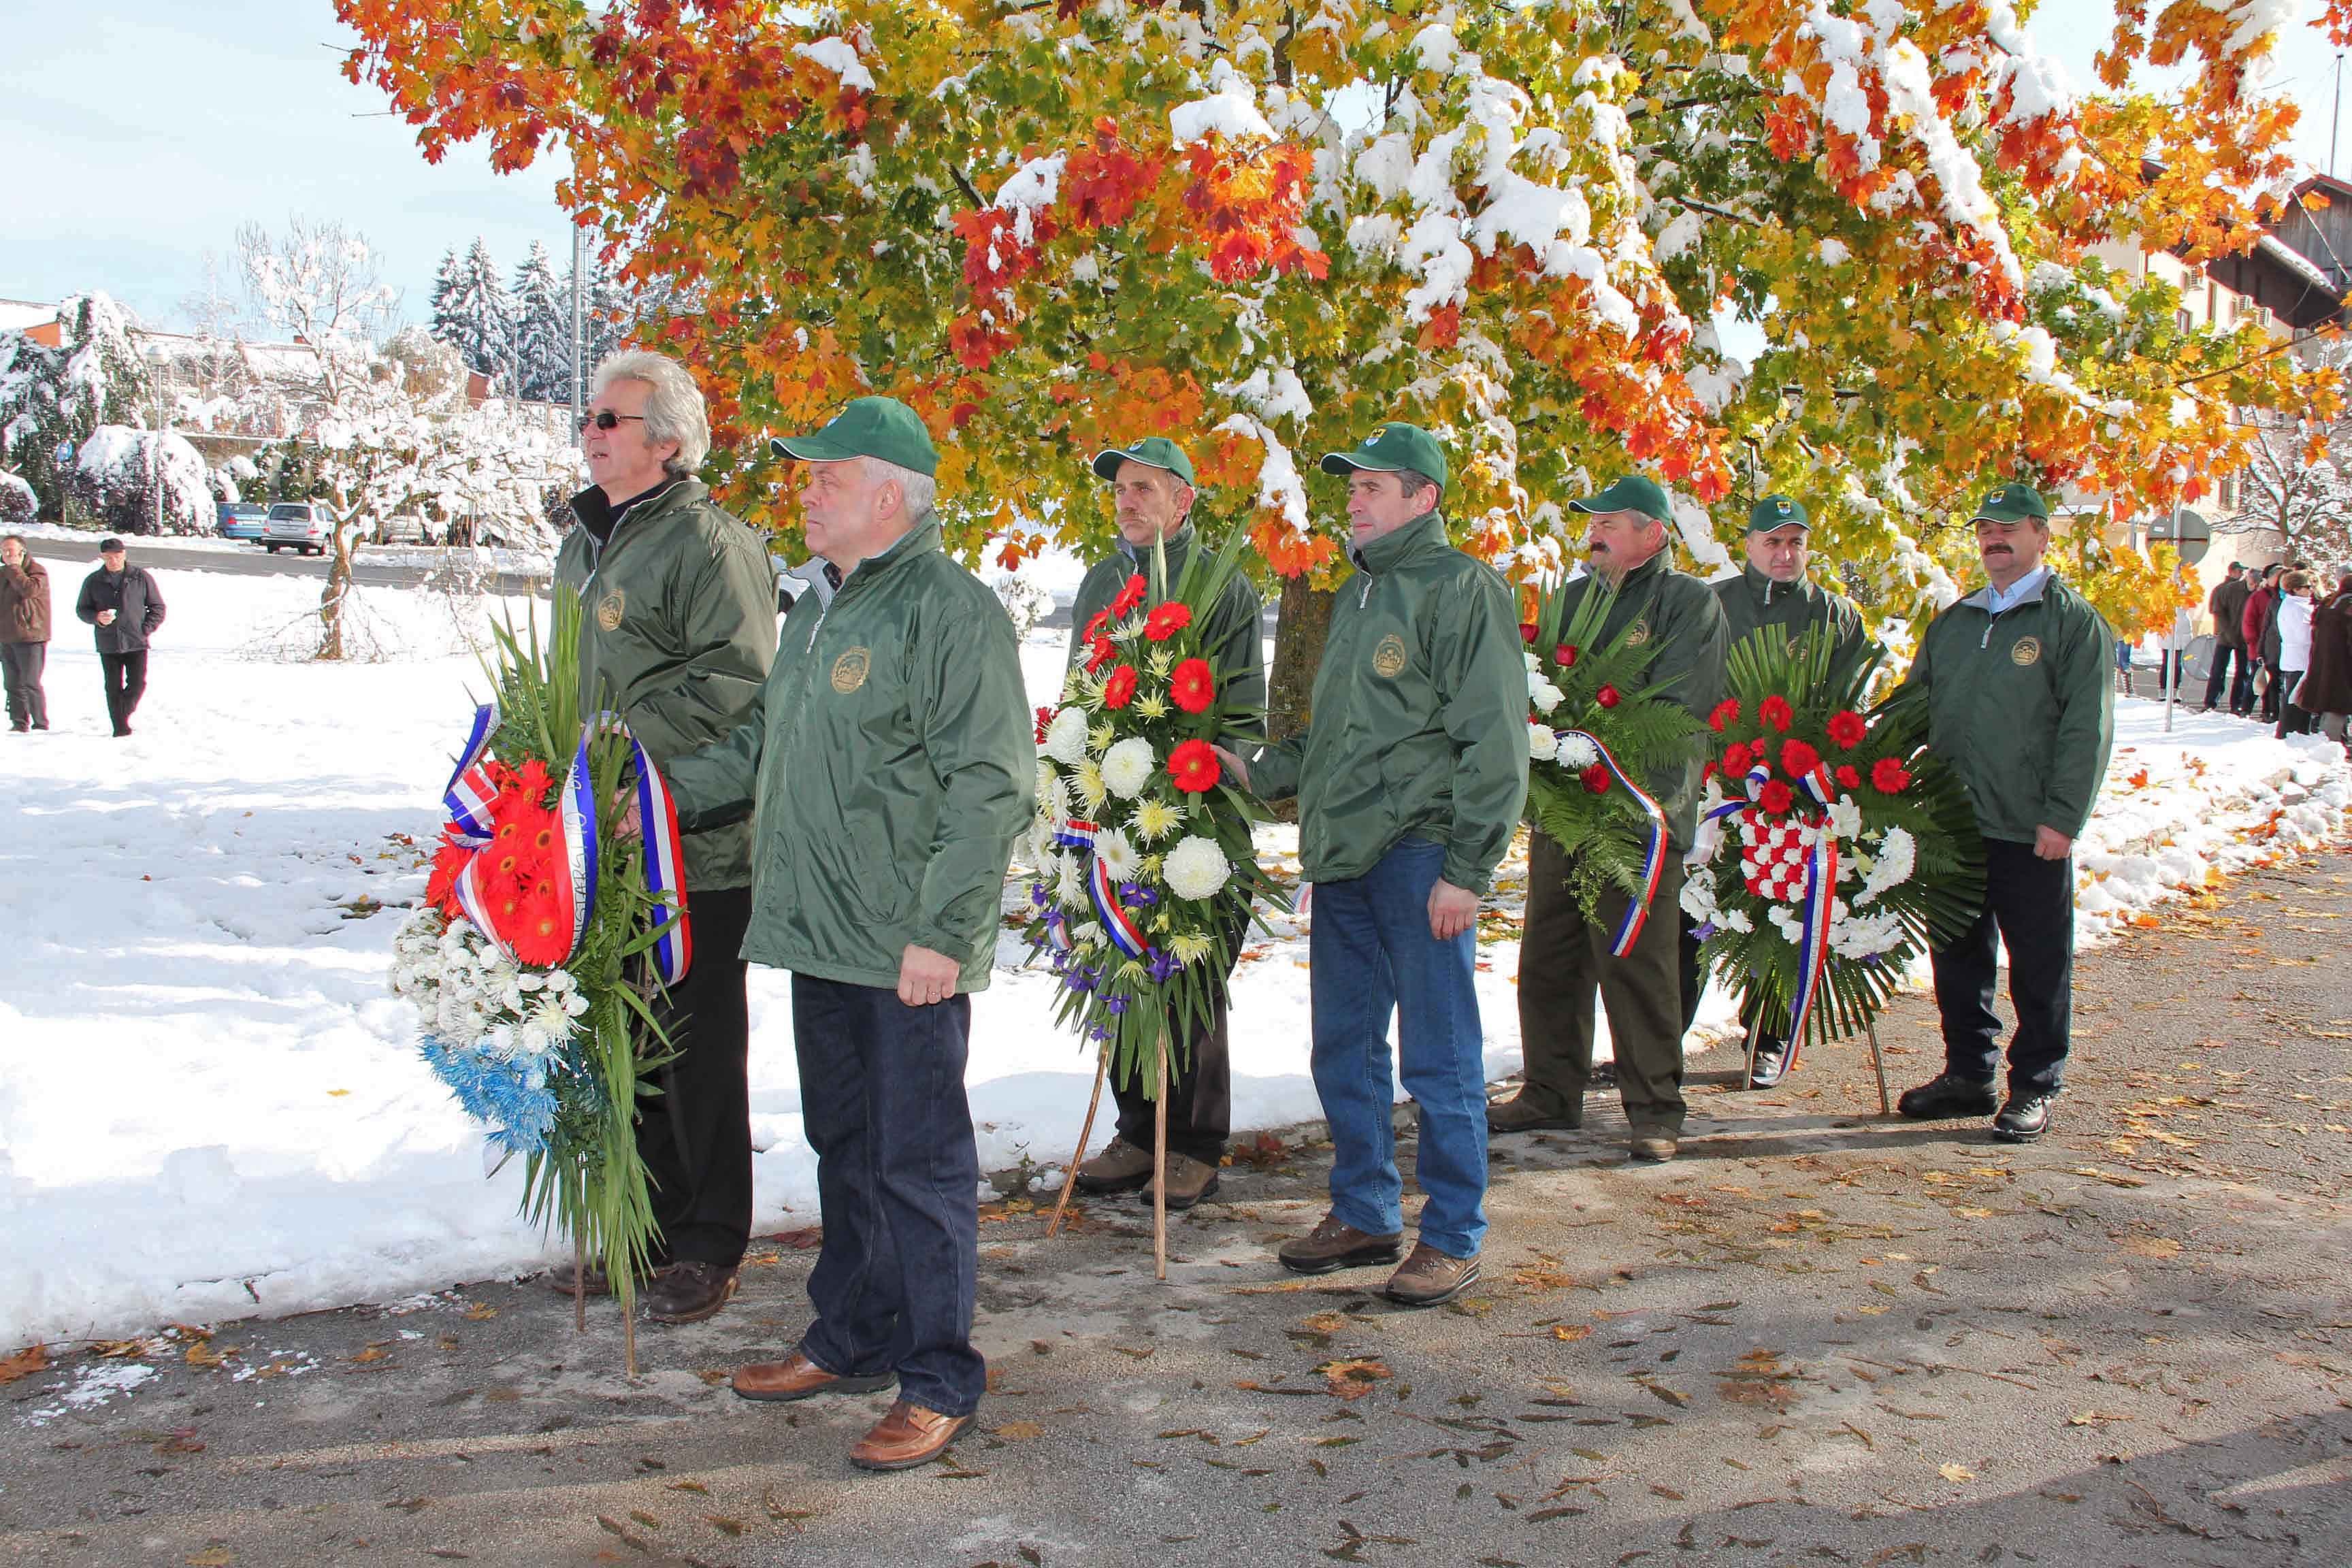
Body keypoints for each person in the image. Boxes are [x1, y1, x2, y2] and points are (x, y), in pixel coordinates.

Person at [668, 396, 1030, 1473]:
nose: (806, 493)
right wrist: (632, 792)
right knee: (848, 1151)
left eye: (825, 477)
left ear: (889, 495)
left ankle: (937, 1377)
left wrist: (943, 931)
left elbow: (989, 783)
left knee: (918, 1166)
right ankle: (854, 1335)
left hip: (903, 948)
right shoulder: (820, 607)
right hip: (820, 935)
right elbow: (764, 755)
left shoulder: (953, 613)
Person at [1224, 422, 1526, 1307]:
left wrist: (1467, 869)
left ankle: (1455, 1235)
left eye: (1370, 488)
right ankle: (1363, 1211)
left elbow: (1495, 742)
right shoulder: (1353, 599)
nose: (1352, 502)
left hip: (1421, 855)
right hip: (1344, 857)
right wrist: (1261, 768)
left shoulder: (1464, 590)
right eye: (1351, 489)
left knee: (1439, 1054)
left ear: (1422, 499)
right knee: (1344, 1048)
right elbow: (1341, 739)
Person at [548, 350, 779, 1326]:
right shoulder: (583, 543)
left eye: (613, 419)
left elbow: (740, 685)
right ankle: (642, 1219)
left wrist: (631, 760)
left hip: (694, 839)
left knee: (694, 1043)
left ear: (669, 442)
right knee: (620, 1032)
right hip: (596, 840)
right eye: (592, 416)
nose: (592, 430)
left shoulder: (710, 543)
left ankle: (708, 1240)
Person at [1490, 474, 1727, 1158]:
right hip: (1566, 808)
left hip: (1640, 811)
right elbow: (1544, 684)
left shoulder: (1689, 603)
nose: (1594, 533)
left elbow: (1678, 703)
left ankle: (1655, 1109)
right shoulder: (1570, 599)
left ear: (1652, 533)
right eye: (1592, 522)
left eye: (1610, 523)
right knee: (1550, 955)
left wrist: (1594, 740)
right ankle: (1548, 1090)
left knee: (1637, 963)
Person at [1064, 437, 1266, 1212]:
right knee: (1120, 960)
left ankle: (1192, 1143)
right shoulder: (1101, 581)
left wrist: (1208, 775)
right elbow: (1081, 690)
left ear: (1184, 500)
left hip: (1195, 807)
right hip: (1114, 808)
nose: (1129, 499)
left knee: (1190, 970)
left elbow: (1240, 701)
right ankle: (1135, 1128)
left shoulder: (1222, 584)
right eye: (1121, 488)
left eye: (1146, 487)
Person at [1895, 482, 2112, 1143]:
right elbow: (1912, 709)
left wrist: (2063, 817)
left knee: (2039, 964)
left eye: (2010, 526)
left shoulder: (2070, 623)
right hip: (1955, 825)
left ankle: (2036, 1086)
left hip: (2029, 829)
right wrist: (1856, 767)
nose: (1995, 537)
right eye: (1986, 526)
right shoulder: (1955, 623)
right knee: (1958, 957)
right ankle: (1969, 1076)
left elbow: (2086, 728)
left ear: (2042, 535)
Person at [1671, 494, 1861, 1089]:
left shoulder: (1837, 616)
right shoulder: (1713, 604)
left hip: (1798, 786)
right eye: (1772, 541)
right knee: (1691, 912)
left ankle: (1770, 1036)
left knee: (1782, 909)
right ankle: (1661, 1039)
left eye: (1795, 542)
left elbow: (1849, 703)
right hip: (1718, 783)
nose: (1784, 553)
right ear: (1748, 544)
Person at [74, 538, 165, 737]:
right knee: (113, 686)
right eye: (108, 557)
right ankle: (120, 728)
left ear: (124, 555)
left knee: (137, 684)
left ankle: (122, 712)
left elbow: (158, 607)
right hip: (108, 641)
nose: (113, 561)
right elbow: (82, 609)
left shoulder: (140, 577)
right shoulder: (93, 580)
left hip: (136, 641)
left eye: (117, 556)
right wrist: (97, 617)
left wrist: (145, 628)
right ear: (102, 557)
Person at [1, 535, 51, 732]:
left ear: (23, 553)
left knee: (31, 682)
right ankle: (19, 723)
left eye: (11, 552)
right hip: (7, 636)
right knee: (12, 683)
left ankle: (40, 724)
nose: (7, 556)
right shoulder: (3, 573)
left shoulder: (36, 572)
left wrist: (14, 569)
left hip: (31, 635)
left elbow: (29, 591)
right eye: (4, 552)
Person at [2300, 570, 2352, 746]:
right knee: (2338, 704)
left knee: (2332, 702)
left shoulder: (2329, 602)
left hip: (2324, 661)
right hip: (2342, 662)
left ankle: (2331, 742)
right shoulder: (2347, 605)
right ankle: (2330, 745)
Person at [2201, 561, 2251, 716]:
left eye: (2242, 572)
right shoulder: (2222, 589)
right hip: (2226, 636)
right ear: (2232, 572)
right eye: (2239, 571)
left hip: (2238, 637)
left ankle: (2232, 703)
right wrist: (2226, 631)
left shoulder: (2246, 590)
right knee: (2219, 670)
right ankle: (2213, 701)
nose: (2241, 574)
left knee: (2238, 671)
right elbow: (2215, 610)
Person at [2274, 570, 2317, 738]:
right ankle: (2290, 732)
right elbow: (2302, 635)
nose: (2311, 589)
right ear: (2296, 588)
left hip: (2298, 658)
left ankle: (2296, 731)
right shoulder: (2295, 607)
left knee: (2298, 697)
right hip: (2299, 658)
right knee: (2295, 697)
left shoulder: (2297, 605)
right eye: (2307, 586)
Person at [2244, 565, 2281, 723]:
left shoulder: (2279, 597)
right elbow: (2248, 621)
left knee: (2270, 682)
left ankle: (2268, 711)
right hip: (2259, 647)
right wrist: (2254, 642)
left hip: (2272, 647)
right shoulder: (2258, 597)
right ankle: (2245, 709)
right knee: (2257, 680)